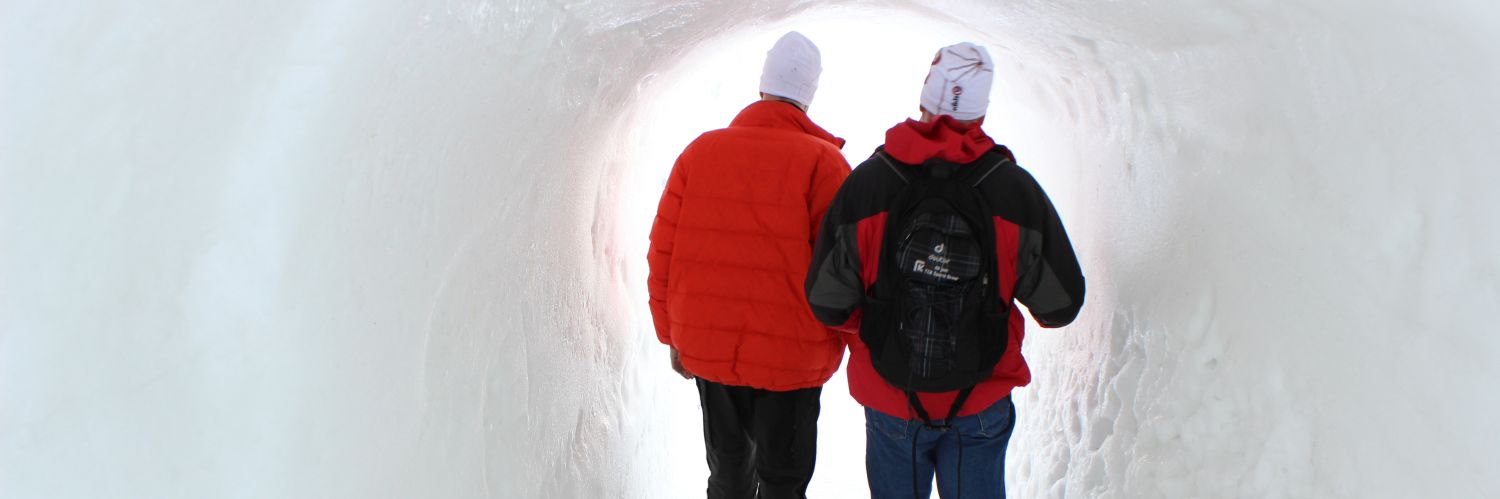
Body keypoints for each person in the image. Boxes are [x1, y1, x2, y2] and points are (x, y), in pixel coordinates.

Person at [804, 42, 1085, 498]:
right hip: (979, 402)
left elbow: (826, 301)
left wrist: (879, 318)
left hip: (892, 400)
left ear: (924, 99)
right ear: (982, 112)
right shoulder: (1013, 192)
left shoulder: (870, 184)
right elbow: (1060, 306)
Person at [647, 31, 852, 499]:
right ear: (808, 95)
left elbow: (664, 251)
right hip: (793, 360)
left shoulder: (699, 153)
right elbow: (845, 272)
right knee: (783, 483)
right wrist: (855, 344)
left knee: (728, 474)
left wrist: (671, 335)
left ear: (762, 86)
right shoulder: (825, 164)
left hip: (710, 351)